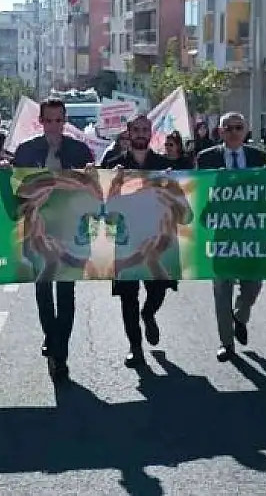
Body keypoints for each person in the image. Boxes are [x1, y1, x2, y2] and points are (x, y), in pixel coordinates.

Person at [0, 97, 94, 381]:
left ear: (65, 121)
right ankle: (50, 338)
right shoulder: (26, 151)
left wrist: (93, 177)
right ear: (40, 121)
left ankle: (59, 353)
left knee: (66, 294)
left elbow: (93, 196)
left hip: (70, 235)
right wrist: (4, 177)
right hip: (37, 233)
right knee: (43, 293)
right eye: (49, 120)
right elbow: (16, 197)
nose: (54, 126)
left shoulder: (80, 150)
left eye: (59, 120)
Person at [103, 115, 178, 367]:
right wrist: (111, 182)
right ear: (128, 132)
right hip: (125, 241)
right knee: (128, 297)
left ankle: (149, 314)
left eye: (145, 129)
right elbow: (103, 207)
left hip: (158, 240)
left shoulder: (165, 165)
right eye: (136, 129)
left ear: (151, 133)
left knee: (158, 289)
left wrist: (171, 183)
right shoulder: (114, 165)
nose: (141, 133)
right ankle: (135, 347)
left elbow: (181, 201)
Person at [195, 111, 266, 362]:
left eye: (239, 127)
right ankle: (226, 343)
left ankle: (241, 315)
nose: (234, 132)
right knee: (222, 289)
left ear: (246, 131)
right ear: (221, 132)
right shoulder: (206, 159)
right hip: (221, 234)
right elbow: (198, 193)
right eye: (229, 128)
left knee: (253, 284)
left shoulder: (259, 157)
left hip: (252, 234)